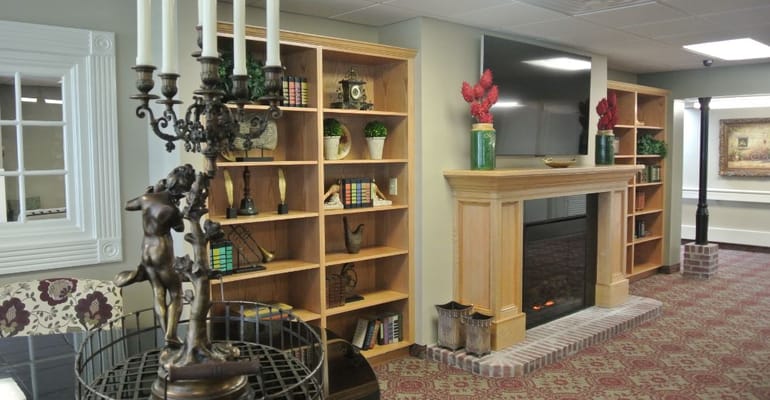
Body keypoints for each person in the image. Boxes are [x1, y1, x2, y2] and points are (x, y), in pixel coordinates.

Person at [115, 164, 195, 347]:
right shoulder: (172, 210)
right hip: (162, 250)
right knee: (176, 293)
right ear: (182, 191)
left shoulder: (146, 198)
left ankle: (167, 336)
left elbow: (128, 205)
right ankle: (171, 334)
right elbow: (180, 228)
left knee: (158, 291)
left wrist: (150, 192)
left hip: (146, 250)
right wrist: (179, 208)